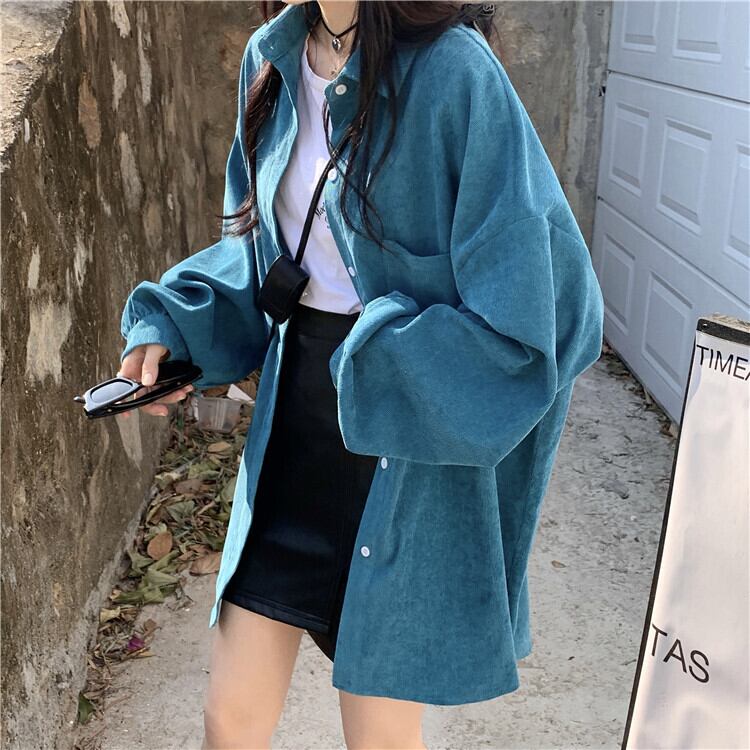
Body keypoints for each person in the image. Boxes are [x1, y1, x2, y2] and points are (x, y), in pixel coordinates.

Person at [117, 1, 605, 748]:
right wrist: (173, 331)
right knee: (229, 719)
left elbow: (554, 310)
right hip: (293, 441)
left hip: (400, 454)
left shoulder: (454, 72)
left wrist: (396, 354)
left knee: (378, 735)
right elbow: (256, 257)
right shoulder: (272, 57)